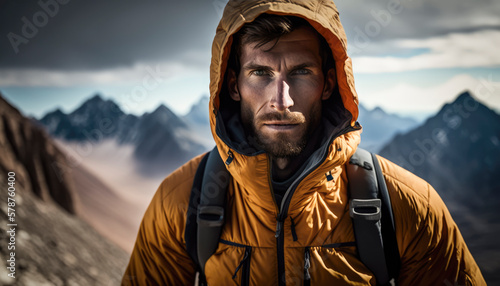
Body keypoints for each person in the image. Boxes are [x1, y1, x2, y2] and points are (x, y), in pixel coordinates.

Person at [122, 0, 485, 285]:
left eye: (300, 72)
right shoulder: (179, 203)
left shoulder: (411, 208)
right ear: (233, 85)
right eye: (260, 73)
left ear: (329, 84)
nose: (281, 100)